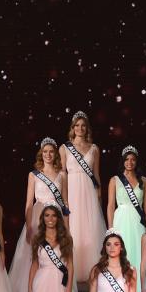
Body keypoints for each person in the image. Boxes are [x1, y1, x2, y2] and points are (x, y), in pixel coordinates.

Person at [10, 137, 69, 292]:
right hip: (38, 216)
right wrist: (29, 226)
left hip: (56, 217)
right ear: (41, 154)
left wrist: (67, 225)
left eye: (51, 151)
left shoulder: (62, 175)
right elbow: (29, 203)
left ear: (55, 154)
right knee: (35, 256)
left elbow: (65, 203)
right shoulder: (33, 175)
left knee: (56, 254)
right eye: (45, 152)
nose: (48, 154)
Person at [59, 111, 105, 276]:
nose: (80, 128)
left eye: (83, 125)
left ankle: (91, 271)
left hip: (88, 192)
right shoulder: (64, 148)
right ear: (73, 128)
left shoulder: (94, 149)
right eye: (77, 125)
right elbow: (62, 175)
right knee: (74, 227)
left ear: (87, 128)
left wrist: (98, 196)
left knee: (90, 229)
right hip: (71, 190)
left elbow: (96, 174)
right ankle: (74, 270)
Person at [107, 145, 146, 292]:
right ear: (123, 161)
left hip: (138, 224)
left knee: (138, 257)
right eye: (127, 159)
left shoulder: (144, 181)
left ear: (136, 162)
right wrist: (110, 229)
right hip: (121, 222)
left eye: (133, 159)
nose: (130, 162)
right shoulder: (115, 180)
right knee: (121, 258)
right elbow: (110, 206)